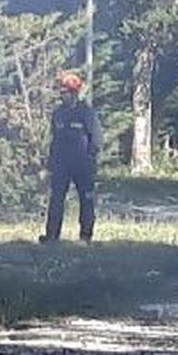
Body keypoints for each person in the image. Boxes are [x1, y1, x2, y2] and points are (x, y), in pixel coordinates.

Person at [40, 70, 100, 244]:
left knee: (86, 200)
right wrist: (50, 165)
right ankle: (51, 236)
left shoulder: (86, 113)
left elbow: (96, 139)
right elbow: (55, 140)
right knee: (56, 199)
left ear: (74, 93)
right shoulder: (58, 113)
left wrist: (90, 159)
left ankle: (85, 236)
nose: (61, 95)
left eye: (65, 92)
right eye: (61, 92)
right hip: (61, 165)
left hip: (83, 165)